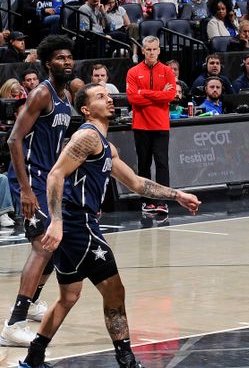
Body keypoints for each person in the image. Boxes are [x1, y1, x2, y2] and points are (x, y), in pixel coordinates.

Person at [18, 83, 200, 368]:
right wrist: (56, 222)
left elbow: (137, 183)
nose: (110, 100)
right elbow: (55, 175)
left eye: (108, 95)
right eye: (100, 97)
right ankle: (126, 361)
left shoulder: (106, 145)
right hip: (78, 223)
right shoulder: (87, 137)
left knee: (69, 296)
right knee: (115, 291)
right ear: (86, 109)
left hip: (77, 225)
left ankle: (33, 358)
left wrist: (177, 195)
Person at [1, 36, 74, 348]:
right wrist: (26, 191)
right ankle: (12, 324)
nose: (67, 62)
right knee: (43, 247)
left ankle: (30, 304)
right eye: (60, 58)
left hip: (52, 181)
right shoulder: (42, 93)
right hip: (33, 181)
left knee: (54, 246)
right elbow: (14, 140)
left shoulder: (66, 94)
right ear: (48, 63)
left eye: (69, 57)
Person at [125, 36, 176, 215]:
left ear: (159, 50)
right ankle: (147, 202)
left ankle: (163, 201)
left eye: (154, 49)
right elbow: (132, 98)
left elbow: (169, 97)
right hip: (141, 125)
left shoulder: (168, 71)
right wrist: (157, 95)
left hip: (161, 125)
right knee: (144, 165)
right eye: (148, 49)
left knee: (162, 164)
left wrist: (144, 93)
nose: (151, 52)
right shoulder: (133, 72)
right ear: (143, 51)